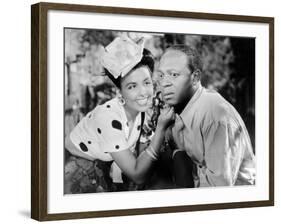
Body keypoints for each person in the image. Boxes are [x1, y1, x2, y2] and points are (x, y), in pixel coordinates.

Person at [65, 36, 175, 187]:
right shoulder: (108, 118)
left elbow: (141, 153)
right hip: (77, 174)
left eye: (146, 82)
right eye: (132, 86)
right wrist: (161, 128)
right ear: (120, 92)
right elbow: (138, 175)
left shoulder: (139, 111)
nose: (143, 92)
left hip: (102, 167)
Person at [157, 45, 256, 187]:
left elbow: (219, 189)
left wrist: (180, 158)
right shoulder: (176, 111)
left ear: (195, 77)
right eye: (161, 75)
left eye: (174, 75)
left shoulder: (215, 117)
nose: (165, 83)